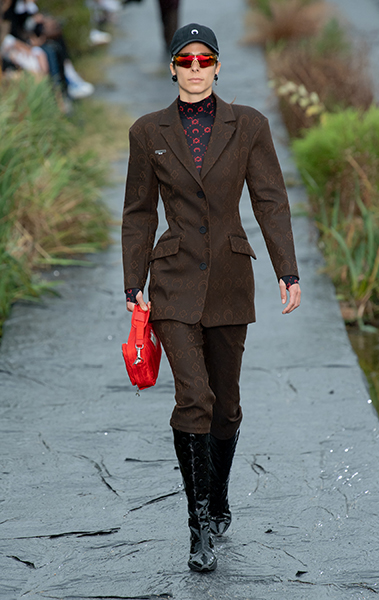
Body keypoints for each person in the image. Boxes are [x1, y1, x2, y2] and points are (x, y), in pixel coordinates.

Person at [122, 23, 301, 573]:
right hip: (172, 279)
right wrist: (133, 282)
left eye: (205, 59)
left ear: (218, 67)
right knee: (193, 398)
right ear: (172, 67)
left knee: (226, 406)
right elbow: (139, 211)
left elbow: (270, 199)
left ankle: (218, 497)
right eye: (186, 60)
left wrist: (287, 270)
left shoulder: (249, 125)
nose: (196, 68)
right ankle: (199, 525)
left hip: (229, 278)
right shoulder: (147, 131)